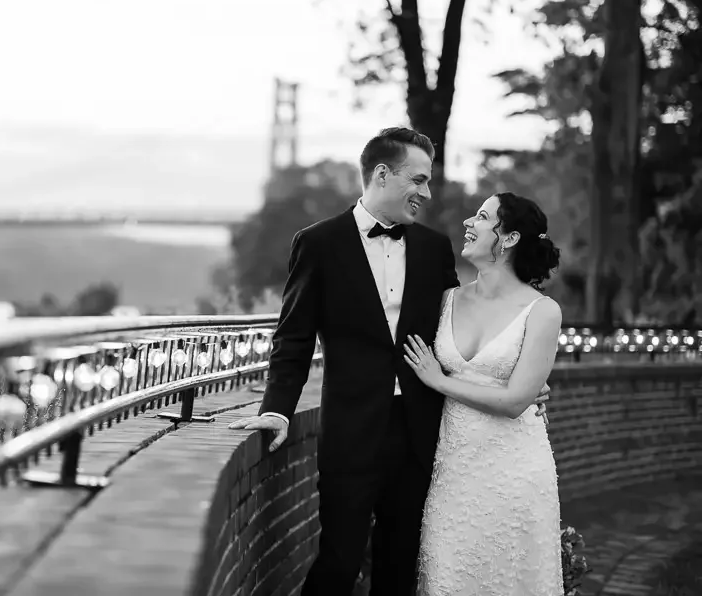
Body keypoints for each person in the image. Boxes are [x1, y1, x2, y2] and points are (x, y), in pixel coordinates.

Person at [227, 127, 549, 596]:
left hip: (423, 433)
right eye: (418, 180)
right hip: (351, 432)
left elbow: (453, 334)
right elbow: (293, 338)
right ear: (382, 174)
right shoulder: (318, 243)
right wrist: (276, 409)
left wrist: (521, 379)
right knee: (339, 561)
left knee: (400, 568)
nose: (427, 192)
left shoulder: (434, 248)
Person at [403, 192, 563, 595]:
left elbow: (514, 402)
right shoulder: (446, 300)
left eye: (482, 217)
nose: (467, 224)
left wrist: (438, 380)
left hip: (515, 473)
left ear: (508, 239)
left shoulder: (542, 311)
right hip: (453, 473)